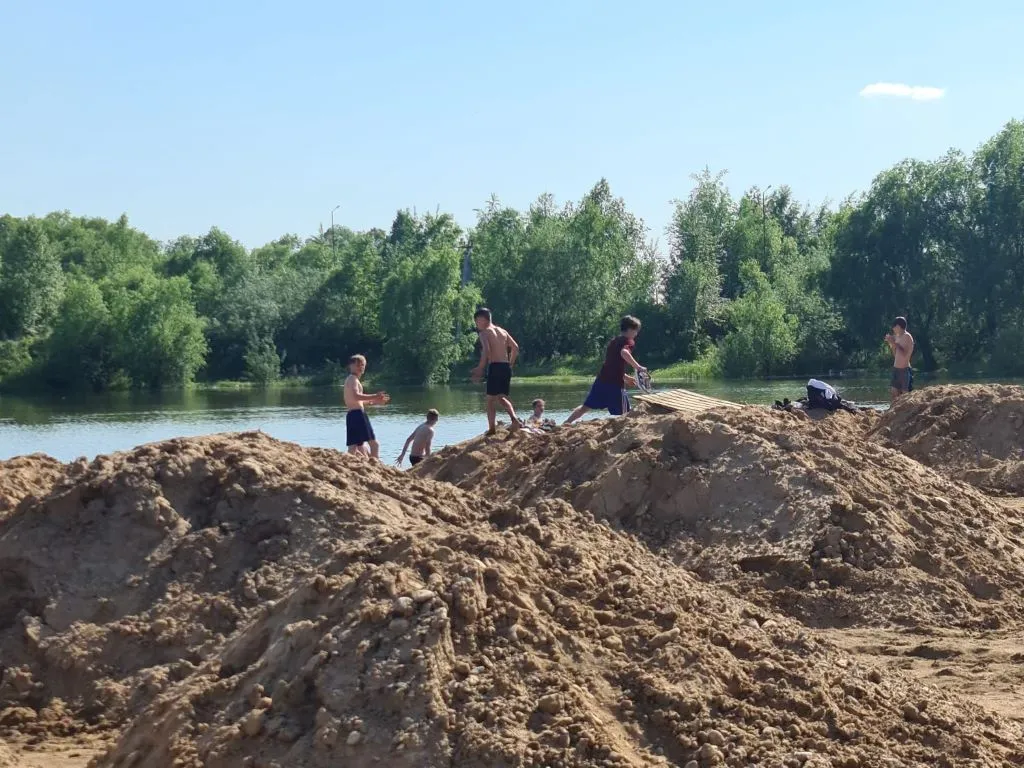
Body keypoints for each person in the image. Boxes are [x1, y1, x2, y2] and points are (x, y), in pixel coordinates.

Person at [565, 315, 646, 425]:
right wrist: (638, 367)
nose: (636, 334)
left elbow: (612, 364)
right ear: (631, 329)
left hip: (602, 380)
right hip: (615, 385)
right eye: (636, 331)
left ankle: (566, 423)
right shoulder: (629, 341)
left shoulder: (613, 341)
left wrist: (625, 377)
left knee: (585, 407)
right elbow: (624, 353)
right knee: (626, 413)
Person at [470, 308, 524, 434]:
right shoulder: (502, 331)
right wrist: (509, 364)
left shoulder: (484, 333)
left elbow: (487, 352)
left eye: (477, 321)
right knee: (501, 397)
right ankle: (514, 418)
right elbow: (515, 348)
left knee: (490, 400)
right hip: (505, 366)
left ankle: (492, 429)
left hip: (495, 366)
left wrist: (480, 368)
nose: (476, 325)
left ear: (482, 319)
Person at [344, 354, 390, 459]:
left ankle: (348, 465)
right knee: (374, 444)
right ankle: (377, 467)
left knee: (353, 447)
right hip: (358, 415)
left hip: (351, 415)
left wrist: (374, 402)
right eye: (357, 365)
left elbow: (355, 400)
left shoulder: (351, 379)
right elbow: (356, 396)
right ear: (350, 366)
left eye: (363, 365)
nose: (361, 367)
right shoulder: (353, 379)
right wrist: (375, 396)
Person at [885, 316, 915, 405]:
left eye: (894, 326)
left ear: (898, 326)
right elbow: (896, 355)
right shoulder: (897, 337)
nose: (893, 329)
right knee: (894, 392)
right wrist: (891, 344)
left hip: (904, 369)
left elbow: (905, 353)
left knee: (904, 394)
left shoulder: (907, 336)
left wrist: (894, 343)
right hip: (896, 369)